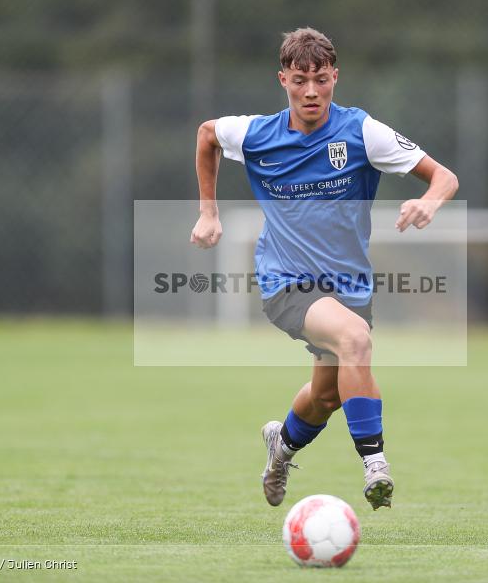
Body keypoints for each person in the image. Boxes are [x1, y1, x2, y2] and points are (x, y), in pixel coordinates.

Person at [191, 27, 458, 510]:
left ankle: (282, 447)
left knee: (326, 397)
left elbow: (445, 176)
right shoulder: (258, 134)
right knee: (355, 339)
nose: (311, 92)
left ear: (335, 77)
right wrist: (208, 211)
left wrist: (429, 201)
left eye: (320, 80)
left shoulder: (362, 132)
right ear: (283, 80)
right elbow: (207, 134)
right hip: (286, 283)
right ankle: (375, 465)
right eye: (299, 81)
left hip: (348, 287)